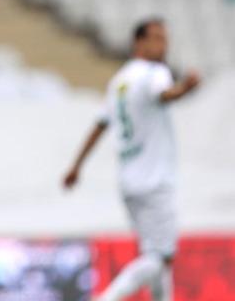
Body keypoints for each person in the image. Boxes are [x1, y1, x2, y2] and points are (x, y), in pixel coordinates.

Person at [63, 19, 200, 301]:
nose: (163, 45)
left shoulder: (120, 80)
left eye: (165, 38)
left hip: (129, 183)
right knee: (161, 257)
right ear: (138, 42)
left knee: (155, 254)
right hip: (156, 181)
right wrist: (185, 87)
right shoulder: (154, 72)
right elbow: (165, 94)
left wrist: (76, 166)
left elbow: (100, 125)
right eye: (157, 38)